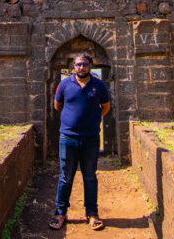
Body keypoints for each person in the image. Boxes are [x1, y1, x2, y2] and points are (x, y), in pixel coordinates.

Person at [49, 53, 111, 231]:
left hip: (91, 138)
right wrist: (70, 120)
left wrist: (93, 118)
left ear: (90, 65)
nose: (81, 67)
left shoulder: (98, 85)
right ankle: (60, 213)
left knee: (90, 176)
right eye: (78, 64)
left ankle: (92, 213)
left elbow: (105, 106)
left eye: (84, 64)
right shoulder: (65, 84)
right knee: (65, 177)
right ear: (73, 66)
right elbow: (57, 104)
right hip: (68, 138)